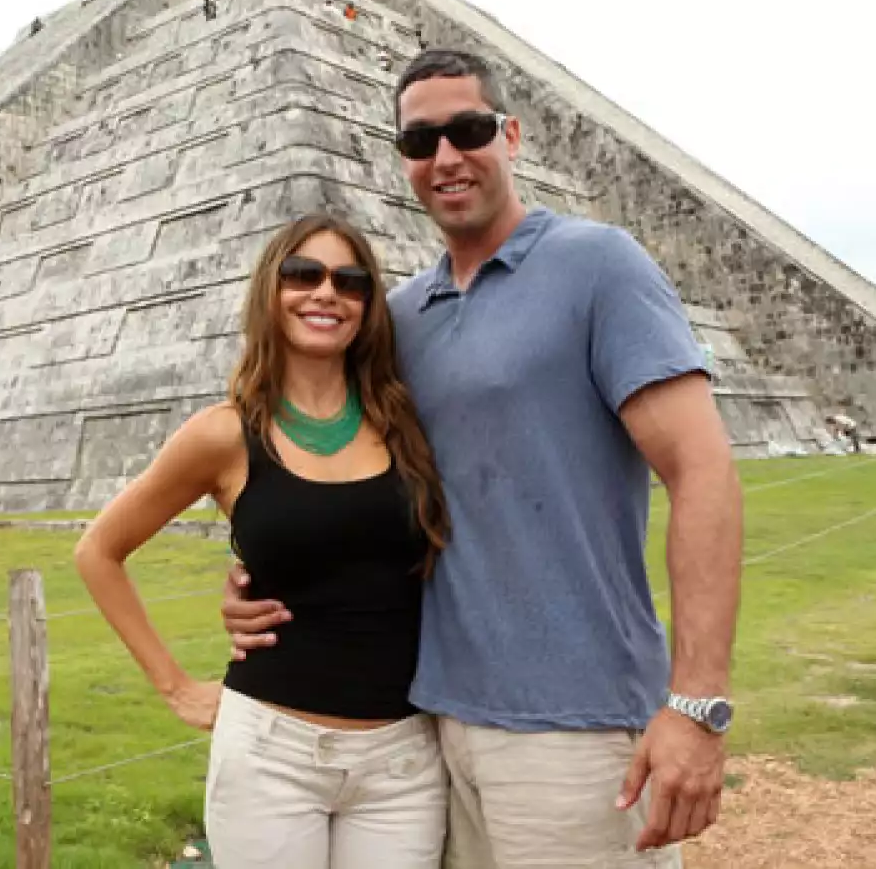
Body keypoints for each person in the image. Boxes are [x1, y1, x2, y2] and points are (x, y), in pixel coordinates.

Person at [224, 48, 745, 867]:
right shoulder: (398, 317)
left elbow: (703, 472)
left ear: (511, 135)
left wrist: (698, 702)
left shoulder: (597, 266)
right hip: (430, 719)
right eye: (419, 141)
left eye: (467, 130)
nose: (445, 157)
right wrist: (268, 571)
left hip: (576, 724)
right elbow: (334, 471)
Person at [75, 213, 453, 868]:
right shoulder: (222, 435)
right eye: (303, 274)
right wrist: (174, 686)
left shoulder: (406, 424)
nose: (326, 293)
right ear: (270, 291)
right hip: (272, 755)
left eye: (350, 280)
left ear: (368, 304)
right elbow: (99, 551)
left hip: (402, 760)